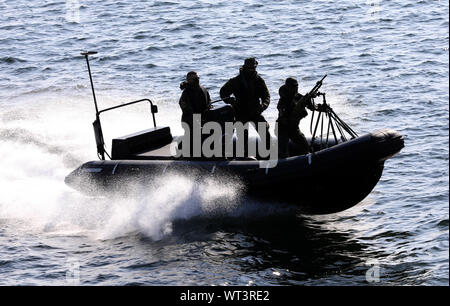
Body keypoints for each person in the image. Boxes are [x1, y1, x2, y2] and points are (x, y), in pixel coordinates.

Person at [220, 57, 271, 154]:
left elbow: (266, 96)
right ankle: (241, 156)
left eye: (254, 68)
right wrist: (230, 100)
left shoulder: (259, 80)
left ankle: (269, 153)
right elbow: (223, 92)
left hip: (255, 111)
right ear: (245, 67)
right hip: (240, 112)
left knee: (265, 132)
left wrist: (263, 106)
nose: (252, 70)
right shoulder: (236, 81)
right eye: (250, 68)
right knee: (242, 136)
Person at [275, 77, 312, 158]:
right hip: (283, 129)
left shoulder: (298, 97)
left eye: (297, 86)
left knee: (305, 146)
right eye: (294, 86)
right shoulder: (283, 100)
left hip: (293, 128)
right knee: (282, 153)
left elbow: (311, 106)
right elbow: (282, 115)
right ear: (288, 87)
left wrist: (311, 102)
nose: (296, 88)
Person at [179, 71, 211, 156]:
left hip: (202, 118)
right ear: (189, 80)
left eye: (198, 78)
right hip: (190, 119)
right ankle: (181, 152)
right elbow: (184, 106)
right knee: (190, 136)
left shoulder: (203, 89)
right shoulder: (187, 92)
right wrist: (194, 118)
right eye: (195, 79)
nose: (197, 80)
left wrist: (208, 110)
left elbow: (208, 102)